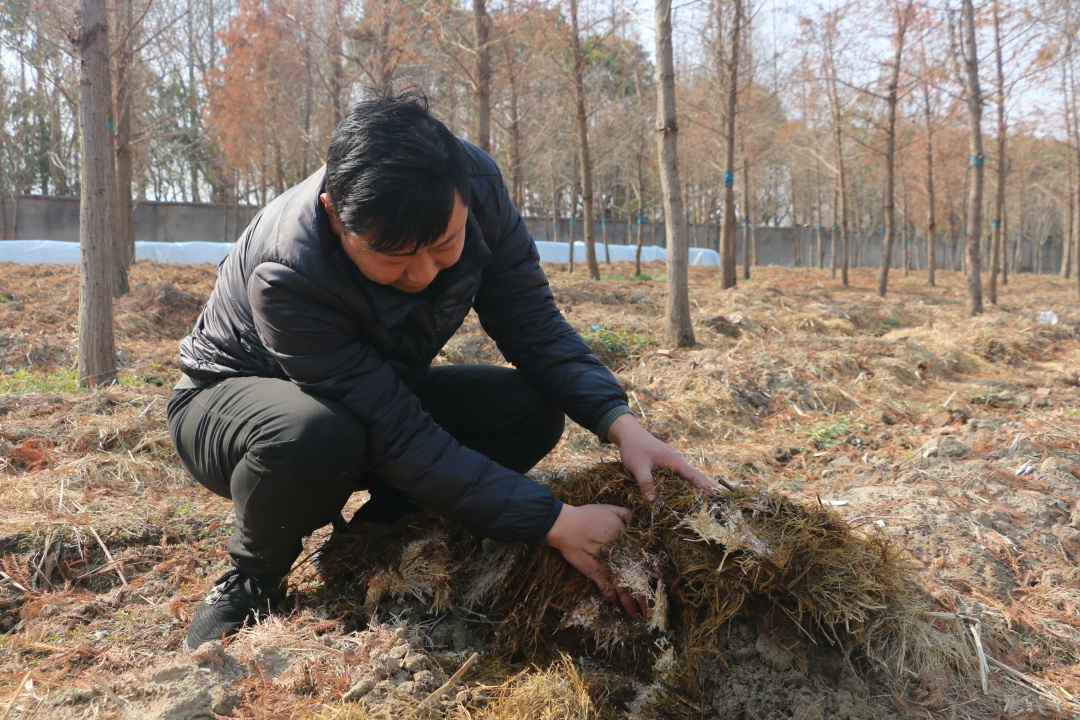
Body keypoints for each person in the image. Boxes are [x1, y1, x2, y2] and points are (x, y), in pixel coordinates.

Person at [168, 87, 713, 652]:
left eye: (443, 246)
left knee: (526, 410)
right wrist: (554, 521)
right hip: (232, 405)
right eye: (395, 257)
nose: (423, 275)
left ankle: (382, 531)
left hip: (367, 392)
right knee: (314, 432)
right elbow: (397, 434)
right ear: (335, 215)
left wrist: (621, 423)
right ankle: (253, 574)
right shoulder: (289, 270)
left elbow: (533, 324)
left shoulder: (476, 185)